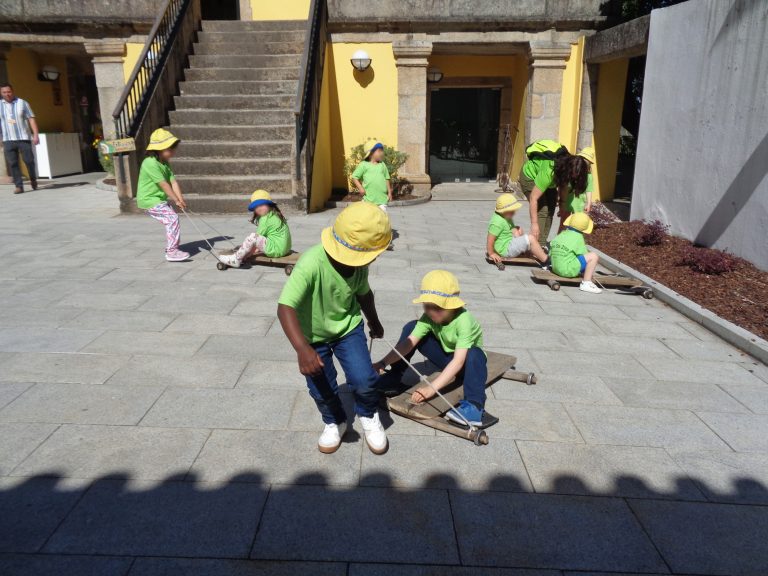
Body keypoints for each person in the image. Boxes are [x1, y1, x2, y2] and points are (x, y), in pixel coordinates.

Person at [277, 201, 391, 455]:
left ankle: (368, 414)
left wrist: (373, 320)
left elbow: (364, 294)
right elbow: (285, 307)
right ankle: (334, 420)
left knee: (364, 379)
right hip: (312, 336)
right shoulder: (311, 263)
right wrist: (302, 349)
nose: (372, 259)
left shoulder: (359, 266)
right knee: (320, 386)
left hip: (348, 328)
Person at [373, 270, 488, 427]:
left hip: (466, 365)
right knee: (412, 327)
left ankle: (474, 406)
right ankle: (394, 377)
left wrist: (431, 389)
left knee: (475, 353)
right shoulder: (428, 317)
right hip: (447, 359)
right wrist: (382, 363)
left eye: (437, 308)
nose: (431, 312)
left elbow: (458, 361)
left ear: (451, 305)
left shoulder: (464, 320)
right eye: (427, 306)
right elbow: (408, 344)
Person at [518, 140, 590, 245]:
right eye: (573, 177)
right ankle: (535, 245)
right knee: (543, 209)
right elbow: (534, 198)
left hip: (550, 181)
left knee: (551, 208)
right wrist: (534, 224)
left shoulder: (568, 170)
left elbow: (563, 189)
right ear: (567, 171)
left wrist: (562, 206)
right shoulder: (549, 171)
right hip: (529, 177)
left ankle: (542, 243)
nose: (573, 180)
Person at [136, 128, 189, 262]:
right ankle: (172, 252)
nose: (173, 152)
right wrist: (176, 200)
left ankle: (172, 248)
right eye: (170, 149)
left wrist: (181, 199)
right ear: (159, 149)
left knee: (171, 219)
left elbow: (173, 182)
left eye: (173, 149)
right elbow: (164, 184)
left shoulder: (165, 163)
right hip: (149, 199)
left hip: (158, 200)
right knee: (172, 219)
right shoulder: (150, 163)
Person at [217, 189, 291, 268]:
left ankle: (236, 259)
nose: (259, 209)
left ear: (269, 204)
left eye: (261, 205)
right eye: (256, 207)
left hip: (276, 250)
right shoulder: (275, 214)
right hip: (285, 249)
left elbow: (256, 240)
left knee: (253, 237)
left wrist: (247, 254)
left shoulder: (265, 219)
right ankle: (241, 253)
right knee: (259, 239)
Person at [486, 193, 549, 268]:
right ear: (504, 211)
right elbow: (490, 239)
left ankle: (524, 251)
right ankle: (546, 261)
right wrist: (491, 253)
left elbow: (512, 228)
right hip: (505, 250)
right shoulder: (497, 222)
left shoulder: (505, 216)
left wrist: (518, 235)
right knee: (531, 238)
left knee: (519, 229)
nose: (514, 213)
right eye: (512, 211)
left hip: (507, 243)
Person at [549, 212, 602, 294]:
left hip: (555, 268)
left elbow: (550, 252)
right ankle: (586, 283)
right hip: (566, 271)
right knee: (593, 256)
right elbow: (583, 256)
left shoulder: (561, 234)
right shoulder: (578, 238)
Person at [1, 84, 39, 194]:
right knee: (13, 163)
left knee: (29, 161)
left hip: (23, 138)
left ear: (12, 91)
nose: (7, 94)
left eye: (9, 92)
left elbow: (31, 119)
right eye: (4, 92)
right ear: (1, 93)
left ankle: (33, 179)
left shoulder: (22, 103)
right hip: (8, 139)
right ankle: (19, 186)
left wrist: (35, 134)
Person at [351, 140, 392, 211]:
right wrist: (360, 188)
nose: (382, 153)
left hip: (382, 200)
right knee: (368, 216)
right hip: (368, 199)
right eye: (379, 151)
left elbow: (387, 178)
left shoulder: (382, 164)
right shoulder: (364, 165)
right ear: (371, 153)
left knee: (381, 217)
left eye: (382, 151)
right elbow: (355, 177)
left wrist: (389, 192)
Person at [560, 146, 595, 229]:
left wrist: (589, 203)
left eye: (588, 162)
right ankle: (560, 236)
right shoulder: (572, 171)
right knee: (564, 222)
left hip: (580, 203)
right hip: (569, 200)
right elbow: (563, 186)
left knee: (577, 224)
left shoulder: (589, 176)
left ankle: (573, 235)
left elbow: (589, 190)